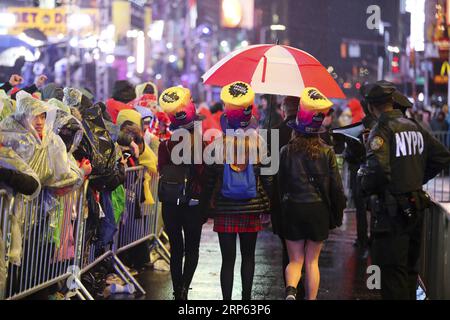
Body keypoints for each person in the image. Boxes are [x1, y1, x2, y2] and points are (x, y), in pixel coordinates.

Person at [358, 81, 450, 300]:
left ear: (371, 107)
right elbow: (442, 157)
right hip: (414, 210)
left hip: (391, 217)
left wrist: (363, 182)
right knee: (410, 275)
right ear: (392, 102)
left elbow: (377, 171)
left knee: (391, 278)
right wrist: (417, 177)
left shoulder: (381, 130)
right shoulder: (415, 126)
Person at [204, 82, 272, 300]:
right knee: (249, 257)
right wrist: (269, 205)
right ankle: (246, 300)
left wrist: (207, 205)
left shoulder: (218, 144)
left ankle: (226, 302)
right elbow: (267, 175)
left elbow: (211, 175)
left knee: (227, 260)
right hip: (251, 207)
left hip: (225, 207)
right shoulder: (259, 142)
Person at [278, 87, 346, 300]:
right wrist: (337, 213)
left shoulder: (287, 150)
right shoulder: (327, 151)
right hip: (318, 210)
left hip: (294, 209)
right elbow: (336, 187)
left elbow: (280, 184)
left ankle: (290, 290)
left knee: (295, 261)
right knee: (312, 262)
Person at [158, 86, 207, 300]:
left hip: (170, 203)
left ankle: (177, 291)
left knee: (176, 248)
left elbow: (162, 170)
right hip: (193, 203)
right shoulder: (202, 145)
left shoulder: (165, 145)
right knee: (192, 248)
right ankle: (186, 287)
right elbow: (203, 172)